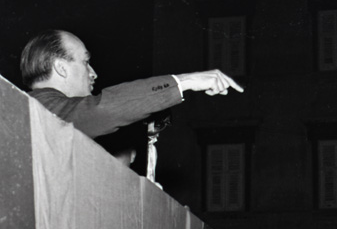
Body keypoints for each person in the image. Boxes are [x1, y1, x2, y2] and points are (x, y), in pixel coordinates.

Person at [20, 29, 243, 160]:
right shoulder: (40, 106)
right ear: (61, 68)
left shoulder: (52, 114)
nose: (93, 73)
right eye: (86, 62)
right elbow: (103, 108)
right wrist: (186, 81)